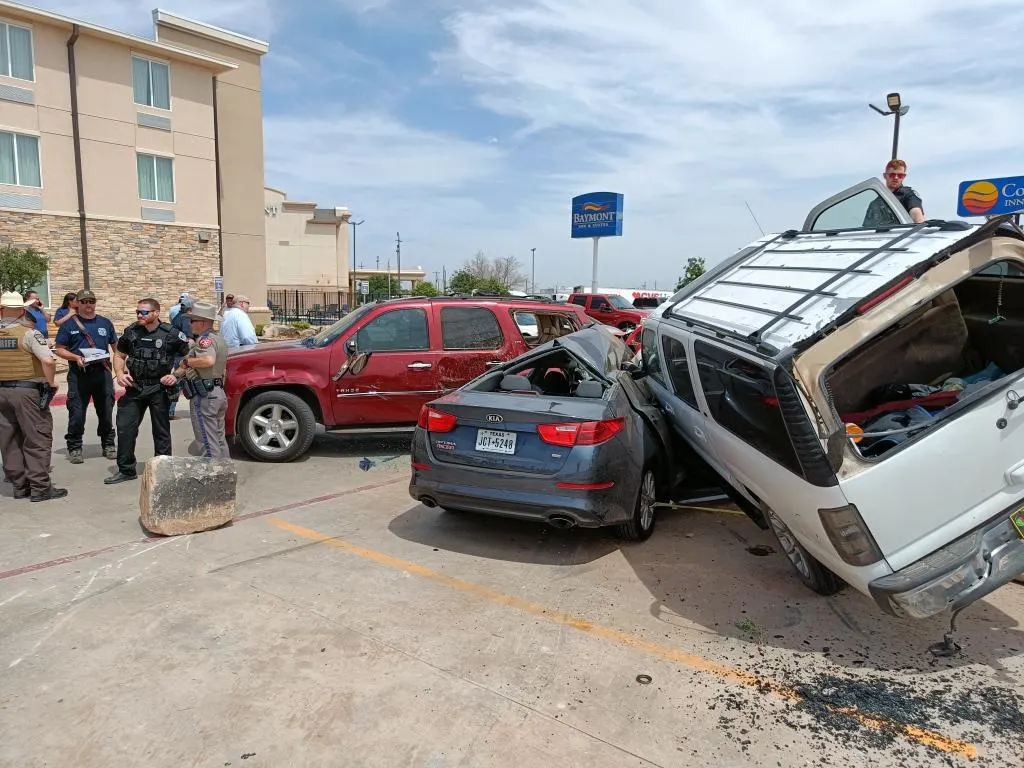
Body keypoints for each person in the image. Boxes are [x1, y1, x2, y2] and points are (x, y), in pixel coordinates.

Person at [106, 298, 190, 485]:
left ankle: (163, 470)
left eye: (143, 312)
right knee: (125, 428)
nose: (139, 315)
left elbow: (188, 358)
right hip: (135, 387)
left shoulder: (172, 334)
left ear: (156, 313)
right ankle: (126, 469)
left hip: (159, 388)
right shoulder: (131, 331)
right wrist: (119, 373)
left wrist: (176, 375)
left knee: (161, 431)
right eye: (137, 312)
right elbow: (119, 355)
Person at [0, 291, 67, 502]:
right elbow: (48, 360)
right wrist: (52, 382)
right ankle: (40, 488)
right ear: (21, 311)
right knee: (37, 437)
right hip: (27, 391)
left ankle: (20, 486)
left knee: (8, 439)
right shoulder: (29, 334)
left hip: (2, 391)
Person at [53, 289, 117, 464]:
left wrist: (121, 369)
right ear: (77, 304)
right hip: (79, 374)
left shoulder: (105, 323)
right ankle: (74, 447)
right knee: (77, 413)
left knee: (106, 411)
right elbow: (59, 348)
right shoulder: (69, 325)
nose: (88, 305)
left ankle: (108, 444)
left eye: (91, 301)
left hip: (102, 372)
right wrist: (75, 358)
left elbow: (116, 348)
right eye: (84, 302)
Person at [172, 301, 230, 459]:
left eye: (192, 321)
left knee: (206, 441)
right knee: (218, 439)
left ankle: (213, 476)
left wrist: (186, 362)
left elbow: (208, 360)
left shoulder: (205, 340)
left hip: (205, 395)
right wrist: (175, 375)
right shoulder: (218, 338)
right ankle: (225, 474)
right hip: (216, 392)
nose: (189, 324)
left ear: (203, 322)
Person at [167, 295, 193, 419]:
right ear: (190, 309)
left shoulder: (177, 316)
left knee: (179, 381)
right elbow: (189, 339)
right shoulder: (186, 319)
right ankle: (170, 411)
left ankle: (169, 410)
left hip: (175, 353)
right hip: (182, 354)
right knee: (179, 381)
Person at [882, 159, 925, 223]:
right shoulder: (877, 200)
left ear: (904, 177)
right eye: (892, 175)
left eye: (900, 175)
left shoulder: (908, 195)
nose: (896, 178)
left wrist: (918, 225)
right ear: (885, 176)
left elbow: (916, 212)